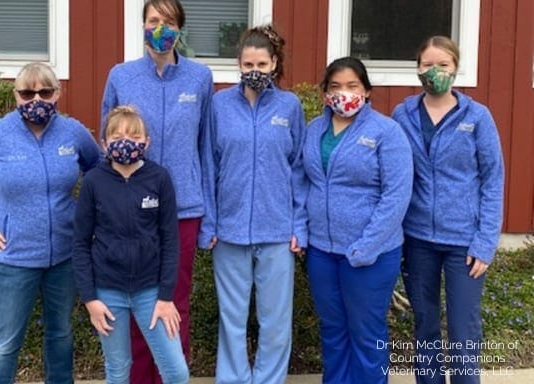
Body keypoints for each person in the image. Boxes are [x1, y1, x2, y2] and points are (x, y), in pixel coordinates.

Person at [0, 62, 101, 384]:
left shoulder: (73, 133)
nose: (35, 99)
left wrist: (86, 214)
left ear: (58, 94)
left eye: (45, 91)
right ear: (16, 95)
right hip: (12, 259)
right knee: (5, 344)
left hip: (65, 257)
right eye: (27, 92)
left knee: (61, 335)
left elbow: (97, 171)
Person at [100, 0, 213, 383]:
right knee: (132, 304)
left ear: (180, 29)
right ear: (142, 25)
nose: (159, 29)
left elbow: (205, 148)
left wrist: (208, 216)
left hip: (183, 211)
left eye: (167, 22)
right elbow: (107, 142)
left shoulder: (200, 78)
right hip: (131, 211)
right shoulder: (121, 76)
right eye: (152, 20)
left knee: (172, 304)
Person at [392, 36, 504, 384]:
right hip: (418, 238)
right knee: (424, 324)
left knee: (462, 329)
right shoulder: (403, 114)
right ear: (418, 68)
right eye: (427, 64)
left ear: (455, 68)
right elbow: (393, 173)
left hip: (464, 242)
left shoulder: (477, 117)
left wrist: (485, 242)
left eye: (443, 64)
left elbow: (493, 180)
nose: (435, 71)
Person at [199, 24, 307, 384]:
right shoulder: (219, 105)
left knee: (275, 320)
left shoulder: (289, 106)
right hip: (229, 231)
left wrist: (299, 225)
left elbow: (299, 170)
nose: (255, 71)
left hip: (277, 230)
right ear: (238, 65)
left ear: (274, 63)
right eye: (248, 64)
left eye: (262, 63)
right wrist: (209, 223)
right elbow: (209, 166)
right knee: (232, 317)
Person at [302, 56, 413, 384]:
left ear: (366, 91)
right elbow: (302, 180)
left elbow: (396, 196)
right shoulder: (313, 129)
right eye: (335, 87)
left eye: (352, 86)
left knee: (367, 334)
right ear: (325, 93)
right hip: (322, 252)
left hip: (371, 255)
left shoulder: (386, 132)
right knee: (333, 332)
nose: (343, 93)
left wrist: (367, 247)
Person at [72, 106, 189, 384]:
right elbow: (80, 243)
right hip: (107, 293)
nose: (126, 141)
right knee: (118, 369)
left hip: (150, 293)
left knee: (176, 371)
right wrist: (90, 300)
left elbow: (170, 240)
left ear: (146, 142)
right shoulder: (93, 181)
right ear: (104, 144)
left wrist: (165, 296)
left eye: (134, 135)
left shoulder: (159, 178)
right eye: (117, 135)